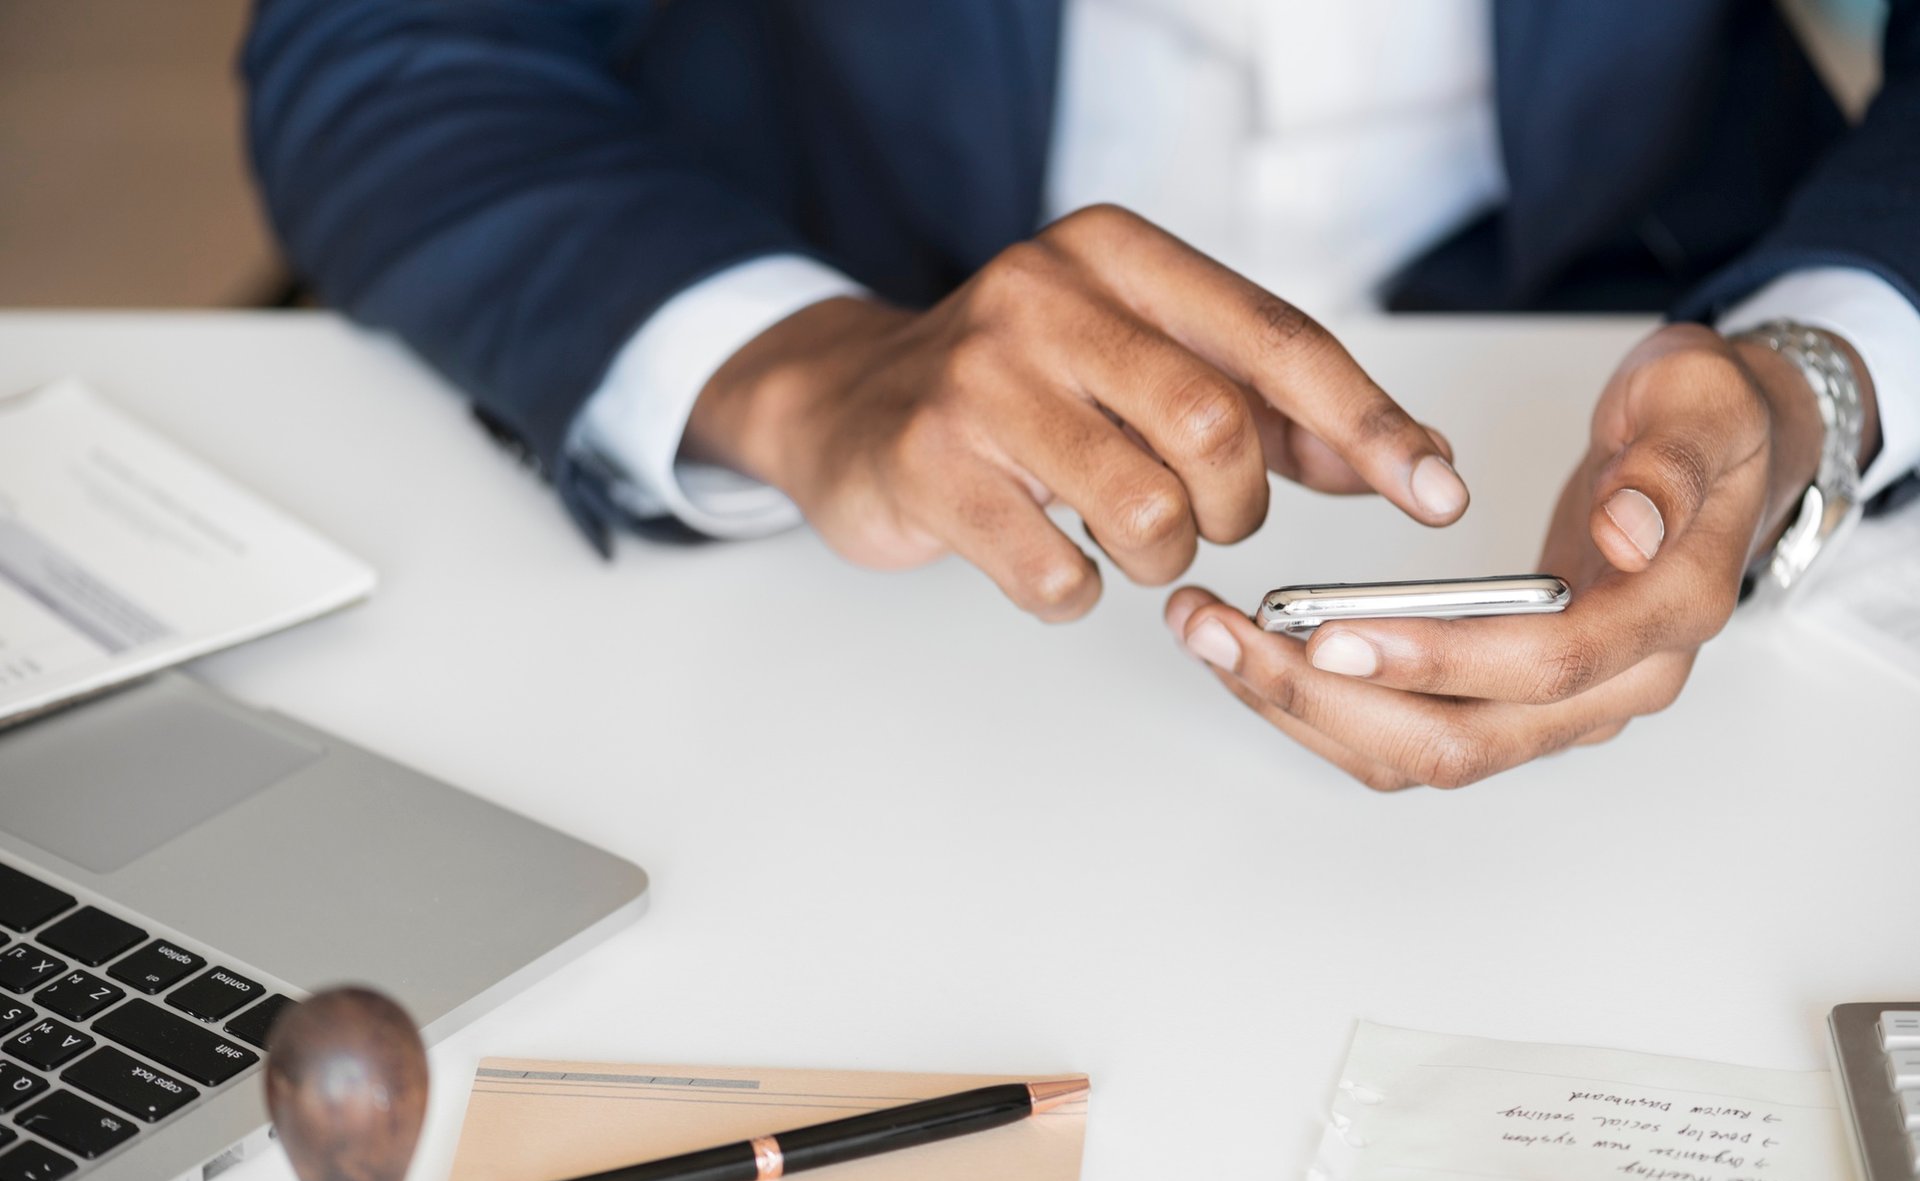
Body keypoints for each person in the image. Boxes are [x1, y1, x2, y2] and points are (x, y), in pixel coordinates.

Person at [243, 0, 1918, 788]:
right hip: (857, 442)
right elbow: (385, 39)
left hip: (1633, 309)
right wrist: (807, 372)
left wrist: (1817, 372)